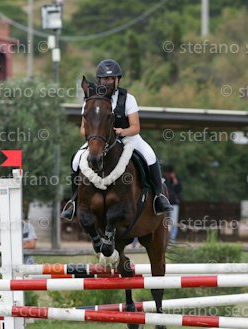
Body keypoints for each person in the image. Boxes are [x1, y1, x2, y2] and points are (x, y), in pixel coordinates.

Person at [61, 59, 173, 220]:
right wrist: (94, 137)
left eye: (111, 78)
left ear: (117, 80)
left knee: (150, 156)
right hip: (100, 140)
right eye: (105, 78)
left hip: (128, 138)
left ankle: (158, 197)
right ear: (99, 80)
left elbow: (136, 127)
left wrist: (122, 131)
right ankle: (74, 201)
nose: (108, 81)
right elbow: (83, 129)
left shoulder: (128, 99)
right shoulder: (91, 101)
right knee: (76, 160)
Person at [163, 165, 182, 242]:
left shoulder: (176, 179)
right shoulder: (163, 179)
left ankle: (172, 238)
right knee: (165, 220)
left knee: (173, 221)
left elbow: (179, 189)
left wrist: (174, 179)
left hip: (174, 203)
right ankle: (165, 237)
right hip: (165, 202)